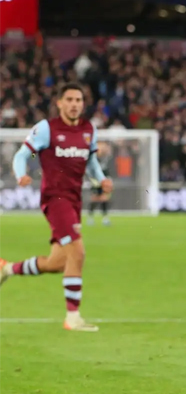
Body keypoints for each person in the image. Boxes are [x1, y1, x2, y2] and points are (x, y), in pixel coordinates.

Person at [0, 83, 113, 332]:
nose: (74, 104)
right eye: (69, 99)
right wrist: (21, 174)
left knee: (59, 262)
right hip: (55, 199)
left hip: (74, 200)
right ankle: (73, 317)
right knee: (78, 251)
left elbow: (91, 161)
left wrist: (100, 178)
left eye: (79, 100)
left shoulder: (88, 130)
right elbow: (22, 155)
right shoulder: (46, 128)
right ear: (59, 103)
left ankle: (7, 268)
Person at [87, 141, 112, 226]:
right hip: (95, 182)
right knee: (94, 199)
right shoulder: (94, 158)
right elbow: (90, 170)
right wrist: (94, 181)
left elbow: (106, 170)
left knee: (104, 199)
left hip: (104, 181)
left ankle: (105, 218)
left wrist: (108, 179)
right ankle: (90, 217)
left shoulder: (105, 158)